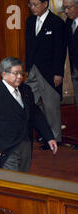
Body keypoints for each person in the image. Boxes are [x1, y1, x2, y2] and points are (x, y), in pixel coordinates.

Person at [0, 57, 57, 172]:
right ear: (4, 74)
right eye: (15, 73)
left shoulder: (26, 90)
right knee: (10, 182)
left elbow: (36, 115)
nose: (20, 76)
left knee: (23, 180)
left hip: (26, 145)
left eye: (21, 73)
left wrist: (49, 137)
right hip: (5, 147)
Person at [25, 0, 66, 148]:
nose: (32, 8)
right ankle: (44, 134)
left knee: (51, 106)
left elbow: (59, 51)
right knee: (29, 102)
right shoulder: (29, 21)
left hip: (50, 72)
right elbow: (28, 46)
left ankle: (55, 138)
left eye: (35, 4)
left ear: (45, 4)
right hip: (33, 70)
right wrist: (27, 68)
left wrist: (58, 73)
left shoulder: (56, 23)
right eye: (30, 4)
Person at [63, 0, 78, 149]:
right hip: (75, 71)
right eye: (64, 8)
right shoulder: (68, 23)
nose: (66, 11)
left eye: (69, 8)